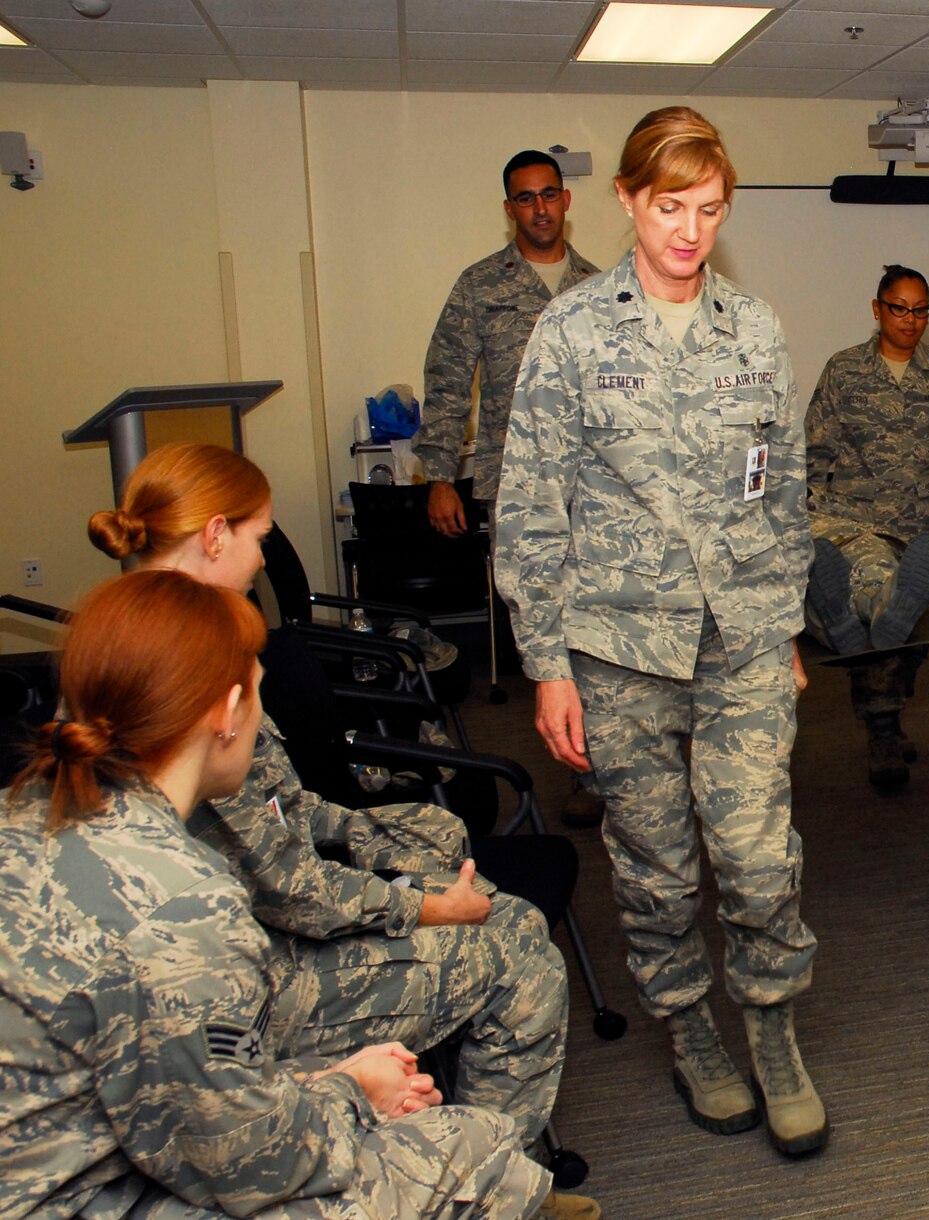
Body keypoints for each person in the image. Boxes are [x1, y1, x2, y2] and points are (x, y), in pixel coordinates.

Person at [0, 569, 573, 1219]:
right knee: (475, 1143)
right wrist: (355, 1092)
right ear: (224, 712)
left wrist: (316, 1088)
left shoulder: (24, 813)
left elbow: (163, 1096)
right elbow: (257, 1168)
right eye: (256, 692)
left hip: (74, 1161)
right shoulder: (184, 909)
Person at [495, 106, 826, 1157]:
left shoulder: (756, 327)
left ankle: (772, 1033)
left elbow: (782, 492)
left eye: (710, 209)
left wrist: (781, 625)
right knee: (656, 866)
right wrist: (545, 664)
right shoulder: (574, 332)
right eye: (670, 205)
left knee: (758, 856)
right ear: (630, 199)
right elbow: (531, 506)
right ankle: (692, 1031)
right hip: (617, 647)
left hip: (739, 641)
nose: (689, 229)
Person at [87, 442, 572, 1155]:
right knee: (521, 947)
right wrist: (428, 905)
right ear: (216, 533)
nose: (261, 559)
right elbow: (287, 887)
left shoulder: (132, 628)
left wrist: (388, 846)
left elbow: (278, 813)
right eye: (257, 538)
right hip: (250, 980)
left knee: (445, 845)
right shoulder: (196, 661)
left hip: (220, 948)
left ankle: (449, 1145)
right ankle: (486, 1172)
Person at [416, 150, 605, 828]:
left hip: (601, 489)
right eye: (525, 198)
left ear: (565, 200)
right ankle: (579, 762)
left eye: (549, 194)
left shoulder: (602, 286)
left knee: (603, 627)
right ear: (510, 208)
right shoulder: (479, 287)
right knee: (549, 629)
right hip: (521, 489)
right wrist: (441, 476)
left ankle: (609, 769)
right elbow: (446, 382)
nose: (540, 209)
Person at [803, 264, 929, 790]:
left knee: (904, 633)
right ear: (877, 309)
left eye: (920, 309)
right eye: (899, 308)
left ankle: (881, 695)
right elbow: (815, 449)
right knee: (879, 591)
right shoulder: (844, 370)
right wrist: (804, 520)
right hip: (851, 517)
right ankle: (882, 728)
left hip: (918, 524)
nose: (911, 320)